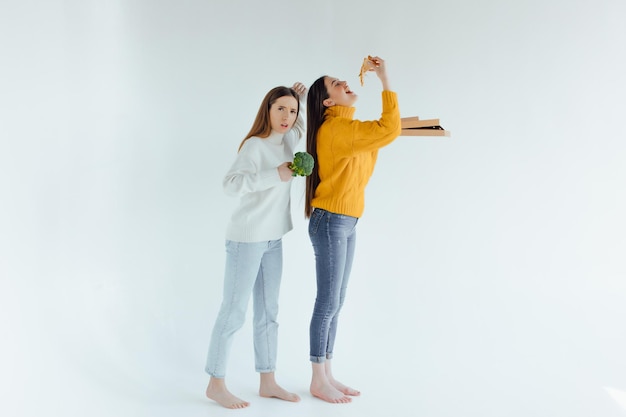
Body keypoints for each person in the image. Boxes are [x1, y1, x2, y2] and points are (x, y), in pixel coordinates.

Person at [304, 56, 401, 403]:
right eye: (336, 84)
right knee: (327, 301)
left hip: (345, 220)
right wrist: (385, 79)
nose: (346, 84)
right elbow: (385, 132)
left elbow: (379, 137)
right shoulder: (336, 130)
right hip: (331, 220)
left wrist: (389, 127)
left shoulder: (348, 130)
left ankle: (327, 372)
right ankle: (318, 378)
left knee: (337, 300)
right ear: (328, 101)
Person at [204, 82, 307, 409]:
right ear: (268, 110)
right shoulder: (254, 145)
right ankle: (216, 383)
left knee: (269, 313)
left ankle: (268, 381)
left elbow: (301, 126)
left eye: (291, 111)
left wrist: (298, 99)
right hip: (246, 239)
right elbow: (230, 185)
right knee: (233, 311)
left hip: (273, 238)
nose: (287, 117)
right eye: (281, 109)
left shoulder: (289, 140)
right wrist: (273, 174)